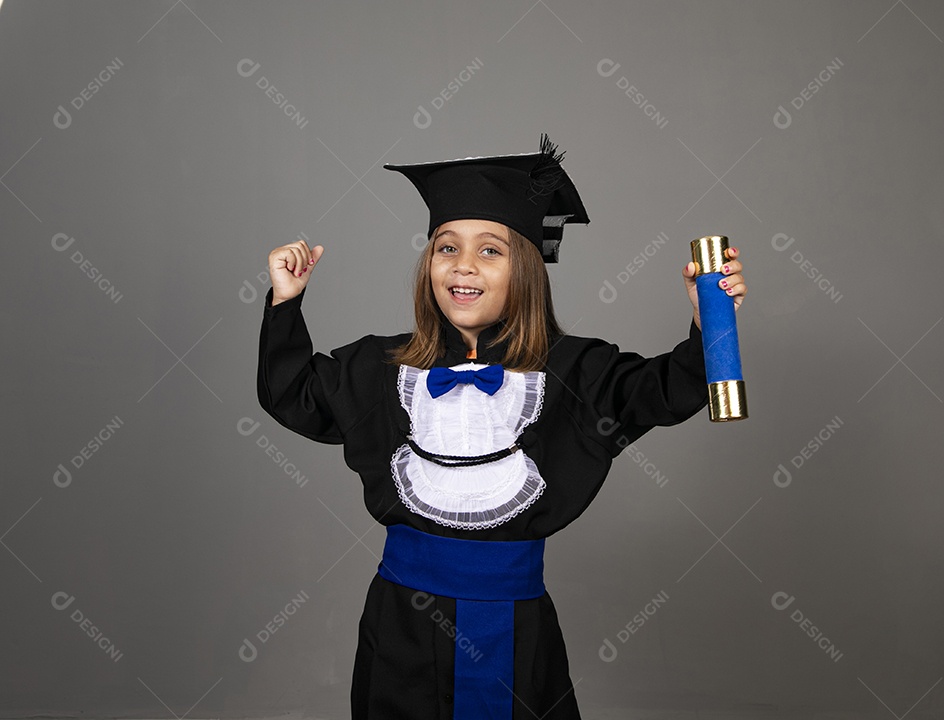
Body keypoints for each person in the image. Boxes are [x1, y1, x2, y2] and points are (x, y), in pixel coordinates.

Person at [257, 134, 747, 720]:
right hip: (400, 624)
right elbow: (292, 393)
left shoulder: (575, 372)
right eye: (446, 247)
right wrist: (286, 301)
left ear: (528, 270)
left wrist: (710, 320)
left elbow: (663, 390)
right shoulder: (379, 367)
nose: (463, 265)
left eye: (490, 250)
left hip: (514, 626)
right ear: (428, 264)